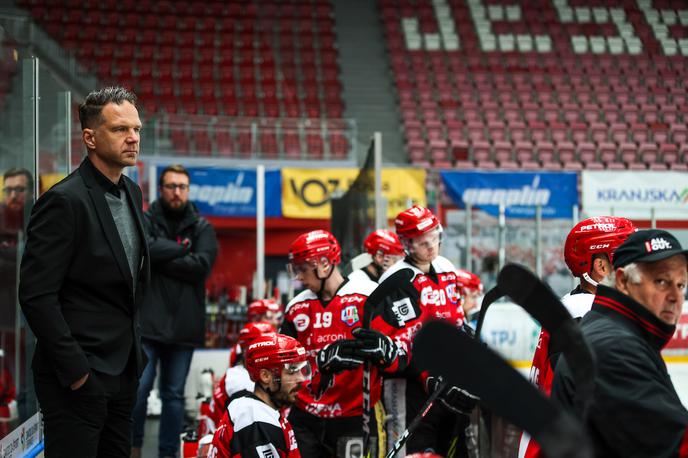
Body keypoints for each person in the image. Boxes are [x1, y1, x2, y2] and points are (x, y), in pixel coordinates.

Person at [18, 86, 149, 457]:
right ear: (90, 137)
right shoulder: (63, 201)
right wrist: (77, 373)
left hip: (123, 372)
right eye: (120, 129)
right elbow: (36, 295)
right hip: (78, 378)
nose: (133, 138)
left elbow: (130, 281)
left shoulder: (133, 193)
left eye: (137, 129)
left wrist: (134, 363)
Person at [551, 229, 688, 456]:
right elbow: (675, 444)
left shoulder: (613, 329)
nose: (675, 297)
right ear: (623, 281)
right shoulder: (614, 349)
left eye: (681, 285)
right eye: (662, 281)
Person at [518, 216, 635, 458]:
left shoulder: (575, 307)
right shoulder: (587, 314)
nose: (636, 267)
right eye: (627, 259)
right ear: (601, 268)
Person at [280, 229, 405, 456]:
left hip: (356, 415)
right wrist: (318, 363)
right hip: (306, 419)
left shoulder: (368, 297)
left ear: (325, 264)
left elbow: (398, 357)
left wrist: (387, 354)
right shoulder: (295, 308)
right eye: (295, 269)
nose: (298, 276)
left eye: (302, 269)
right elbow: (283, 369)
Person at [365, 205, 477, 456]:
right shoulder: (397, 280)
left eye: (434, 237)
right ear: (406, 244)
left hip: (446, 382)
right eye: (421, 241)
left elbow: (456, 317)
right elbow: (398, 347)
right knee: (414, 451)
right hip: (408, 389)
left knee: (450, 447)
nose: (430, 246)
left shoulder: (447, 269)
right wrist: (428, 375)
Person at [131, 164, 218, 458]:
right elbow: (141, 253)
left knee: (173, 396)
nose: (177, 192)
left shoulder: (202, 228)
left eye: (182, 186)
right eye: (171, 186)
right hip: (148, 325)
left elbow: (201, 267)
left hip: (184, 326)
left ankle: (169, 454)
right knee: (138, 392)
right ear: (161, 188)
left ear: (188, 190)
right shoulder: (143, 219)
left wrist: (159, 253)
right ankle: (133, 449)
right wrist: (182, 250)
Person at [208, 333, 311, 458]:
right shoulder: (257, 421)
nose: (301, 378)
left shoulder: (256, 410)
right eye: (291, 371)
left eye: (301, 370)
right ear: (265, 376)